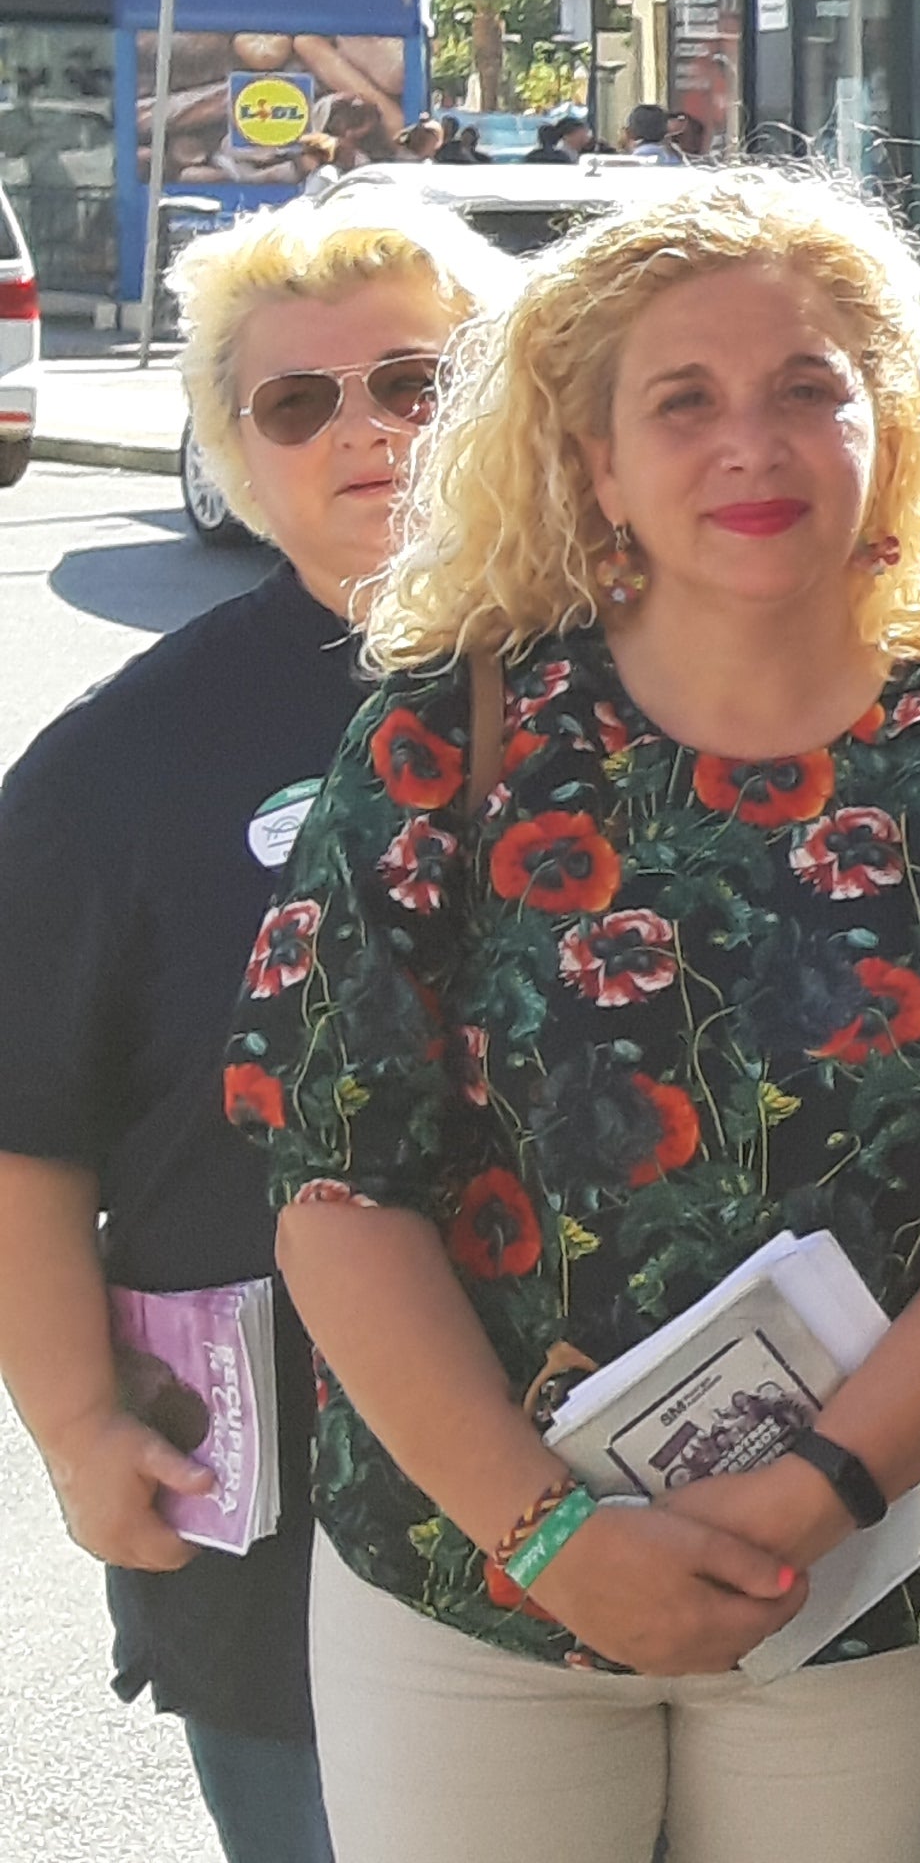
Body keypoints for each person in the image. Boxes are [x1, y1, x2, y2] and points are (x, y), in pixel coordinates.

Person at [224, 167, 920, 1863]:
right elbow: (333, 1181)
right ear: (593, 461)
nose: (752, 443)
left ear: (887, 422)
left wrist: (821, 1484)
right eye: (683, 400)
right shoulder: (447, 741)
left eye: (808, 388)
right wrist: (550, 1535)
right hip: (473, 1583)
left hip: (861, 1572)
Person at [0, 198, 515, 1863]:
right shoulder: (120, 763)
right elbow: (24, 1132)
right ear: (229, 449)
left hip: (636, 1481)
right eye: (298, 402)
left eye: (414, 377)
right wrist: (81, 1429)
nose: (363, 426)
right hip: (279, 1541)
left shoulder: (659, 687)